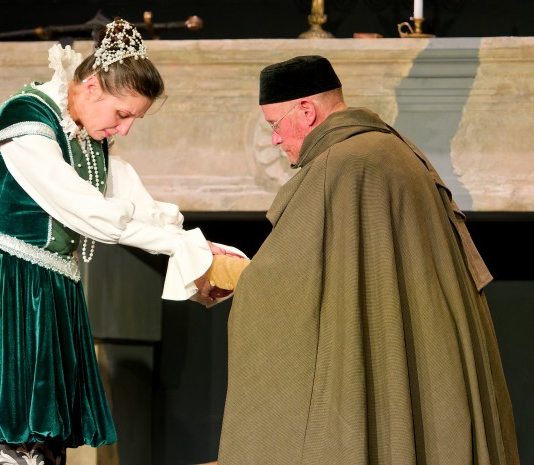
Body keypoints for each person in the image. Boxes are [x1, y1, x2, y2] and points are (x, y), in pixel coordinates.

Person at [0, 18, 234, 465]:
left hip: (52, 288)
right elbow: (88, 212)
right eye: (123, 114)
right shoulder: (26, 118)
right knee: (18, 437)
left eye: (134, 119)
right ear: (90, 88)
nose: (125, 129)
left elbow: (139, 208)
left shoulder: (90, 137)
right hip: (9, 282)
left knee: (49, 440)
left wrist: (197, 247)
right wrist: (180, 249)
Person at [217, 56, 520, 464]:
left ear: (306, 111)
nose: (274, 140)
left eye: (274, 125)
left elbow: (284, 281)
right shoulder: (395, 150)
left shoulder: (339, 166)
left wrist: (215, 268)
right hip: (437, 354)